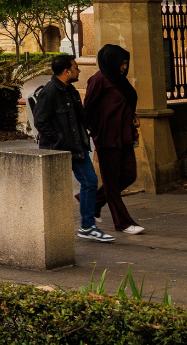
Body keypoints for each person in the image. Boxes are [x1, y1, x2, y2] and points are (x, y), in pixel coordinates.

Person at [32, 53, 110, 242]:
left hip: (76, 146)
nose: (79, 70)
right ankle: (61, 228)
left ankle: (87, 226)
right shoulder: (49, 92)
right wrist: (59, 139)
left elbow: (79, 118)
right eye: (75, 68)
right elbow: (40, 122)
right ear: (66, 71)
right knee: (56, 190)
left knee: (90, 182)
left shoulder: (71, 91)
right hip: (58, 149)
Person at [84, 44, 144, 235]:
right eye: (122, 63)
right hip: (107, 138)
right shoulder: (99, 80)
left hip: (124, 136)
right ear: (111, 61)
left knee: (128, 175)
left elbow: (125, 103)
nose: (125, 67)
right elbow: (88, 109)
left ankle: (93, 202)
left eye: (126, 63)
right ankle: (123, 223)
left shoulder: (120, 81)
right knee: (111, 183)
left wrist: (133, 115)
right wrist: (96, 133)